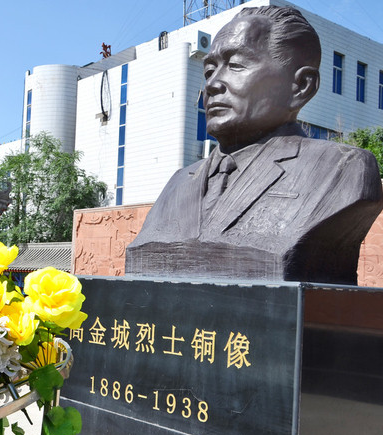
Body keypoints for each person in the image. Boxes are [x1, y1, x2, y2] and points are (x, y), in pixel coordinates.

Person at [125, 6, 383, 284]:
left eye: (235, 65)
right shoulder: (178, 183)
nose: (212, 84)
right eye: (209, 70)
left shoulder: (341, 169)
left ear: (301, 86)